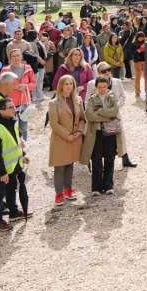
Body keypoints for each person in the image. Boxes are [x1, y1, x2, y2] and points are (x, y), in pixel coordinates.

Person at [0, 97, 31, 229]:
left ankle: (13, 212)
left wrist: (22, 156)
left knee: (11, 189)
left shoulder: (11, 123)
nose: (14, 109)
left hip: (13, 166)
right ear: (1, 111)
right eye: (10, 107)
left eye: (14, 106)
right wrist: (2, 172)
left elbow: (16, 143)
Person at [47, 74, 86, 205]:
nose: (69, 86)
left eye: (71, 84)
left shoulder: (78, 99)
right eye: (66, 84)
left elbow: (82, 118)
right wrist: (67, 135)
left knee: (70, 164)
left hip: (75, 138)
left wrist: (79, 131)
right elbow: (54, 123)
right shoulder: (53, 103)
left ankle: (68, 189)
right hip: (60, 139)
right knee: (59, 167)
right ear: (61, 86)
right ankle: (58, 194)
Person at [81, 76, 121, 195]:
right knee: (96, 160)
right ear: (96, 87)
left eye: (104, 86)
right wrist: (107, 116)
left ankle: (109, 185)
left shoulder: (112, 97)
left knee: (110, 159)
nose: (102, 89)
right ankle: (96, 187)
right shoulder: (92, 99)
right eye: (100, 87)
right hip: (96, 133)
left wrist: (99, 112)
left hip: (110, 133)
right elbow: (89, 115)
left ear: (108, 85)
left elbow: (115, 111)